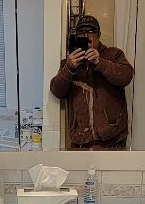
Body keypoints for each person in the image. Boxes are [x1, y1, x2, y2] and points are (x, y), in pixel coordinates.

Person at [49, 15, 134, 149]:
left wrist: (100, 62)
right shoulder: (69, 63)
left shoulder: (113, 55)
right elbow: (57, 91)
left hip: (112, 143)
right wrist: (69, 68)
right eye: (81, 32)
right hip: (80, 144)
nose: (86, 36)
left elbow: (126, 76)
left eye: (91, 31)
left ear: (98, 35)